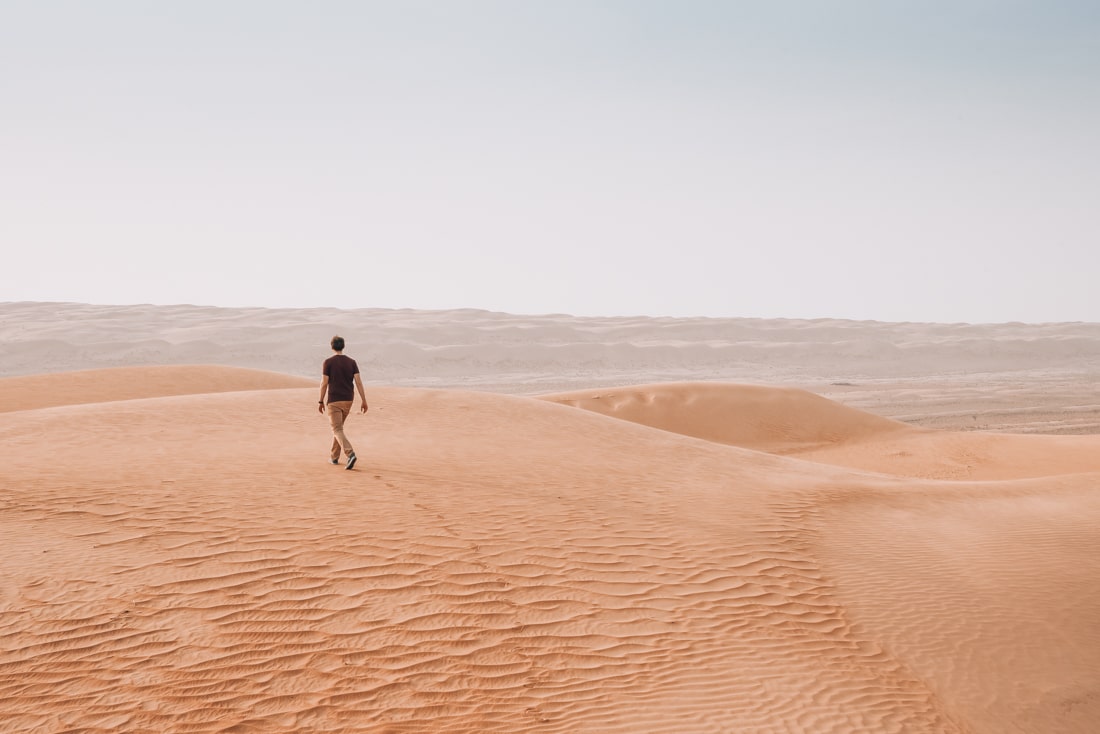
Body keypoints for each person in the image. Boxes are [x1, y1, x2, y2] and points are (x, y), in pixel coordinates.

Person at [318, 335, 368, 469]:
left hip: (334, 400)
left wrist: (320, 400)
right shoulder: (352, 362)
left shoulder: (328, 362)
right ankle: (334, 457)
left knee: (337, 429)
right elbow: (358, 382)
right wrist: (364, 400)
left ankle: (350, 454)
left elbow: (324, 383)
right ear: (343, 346)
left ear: (332, 346)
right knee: (338, 429)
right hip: (348, 400)